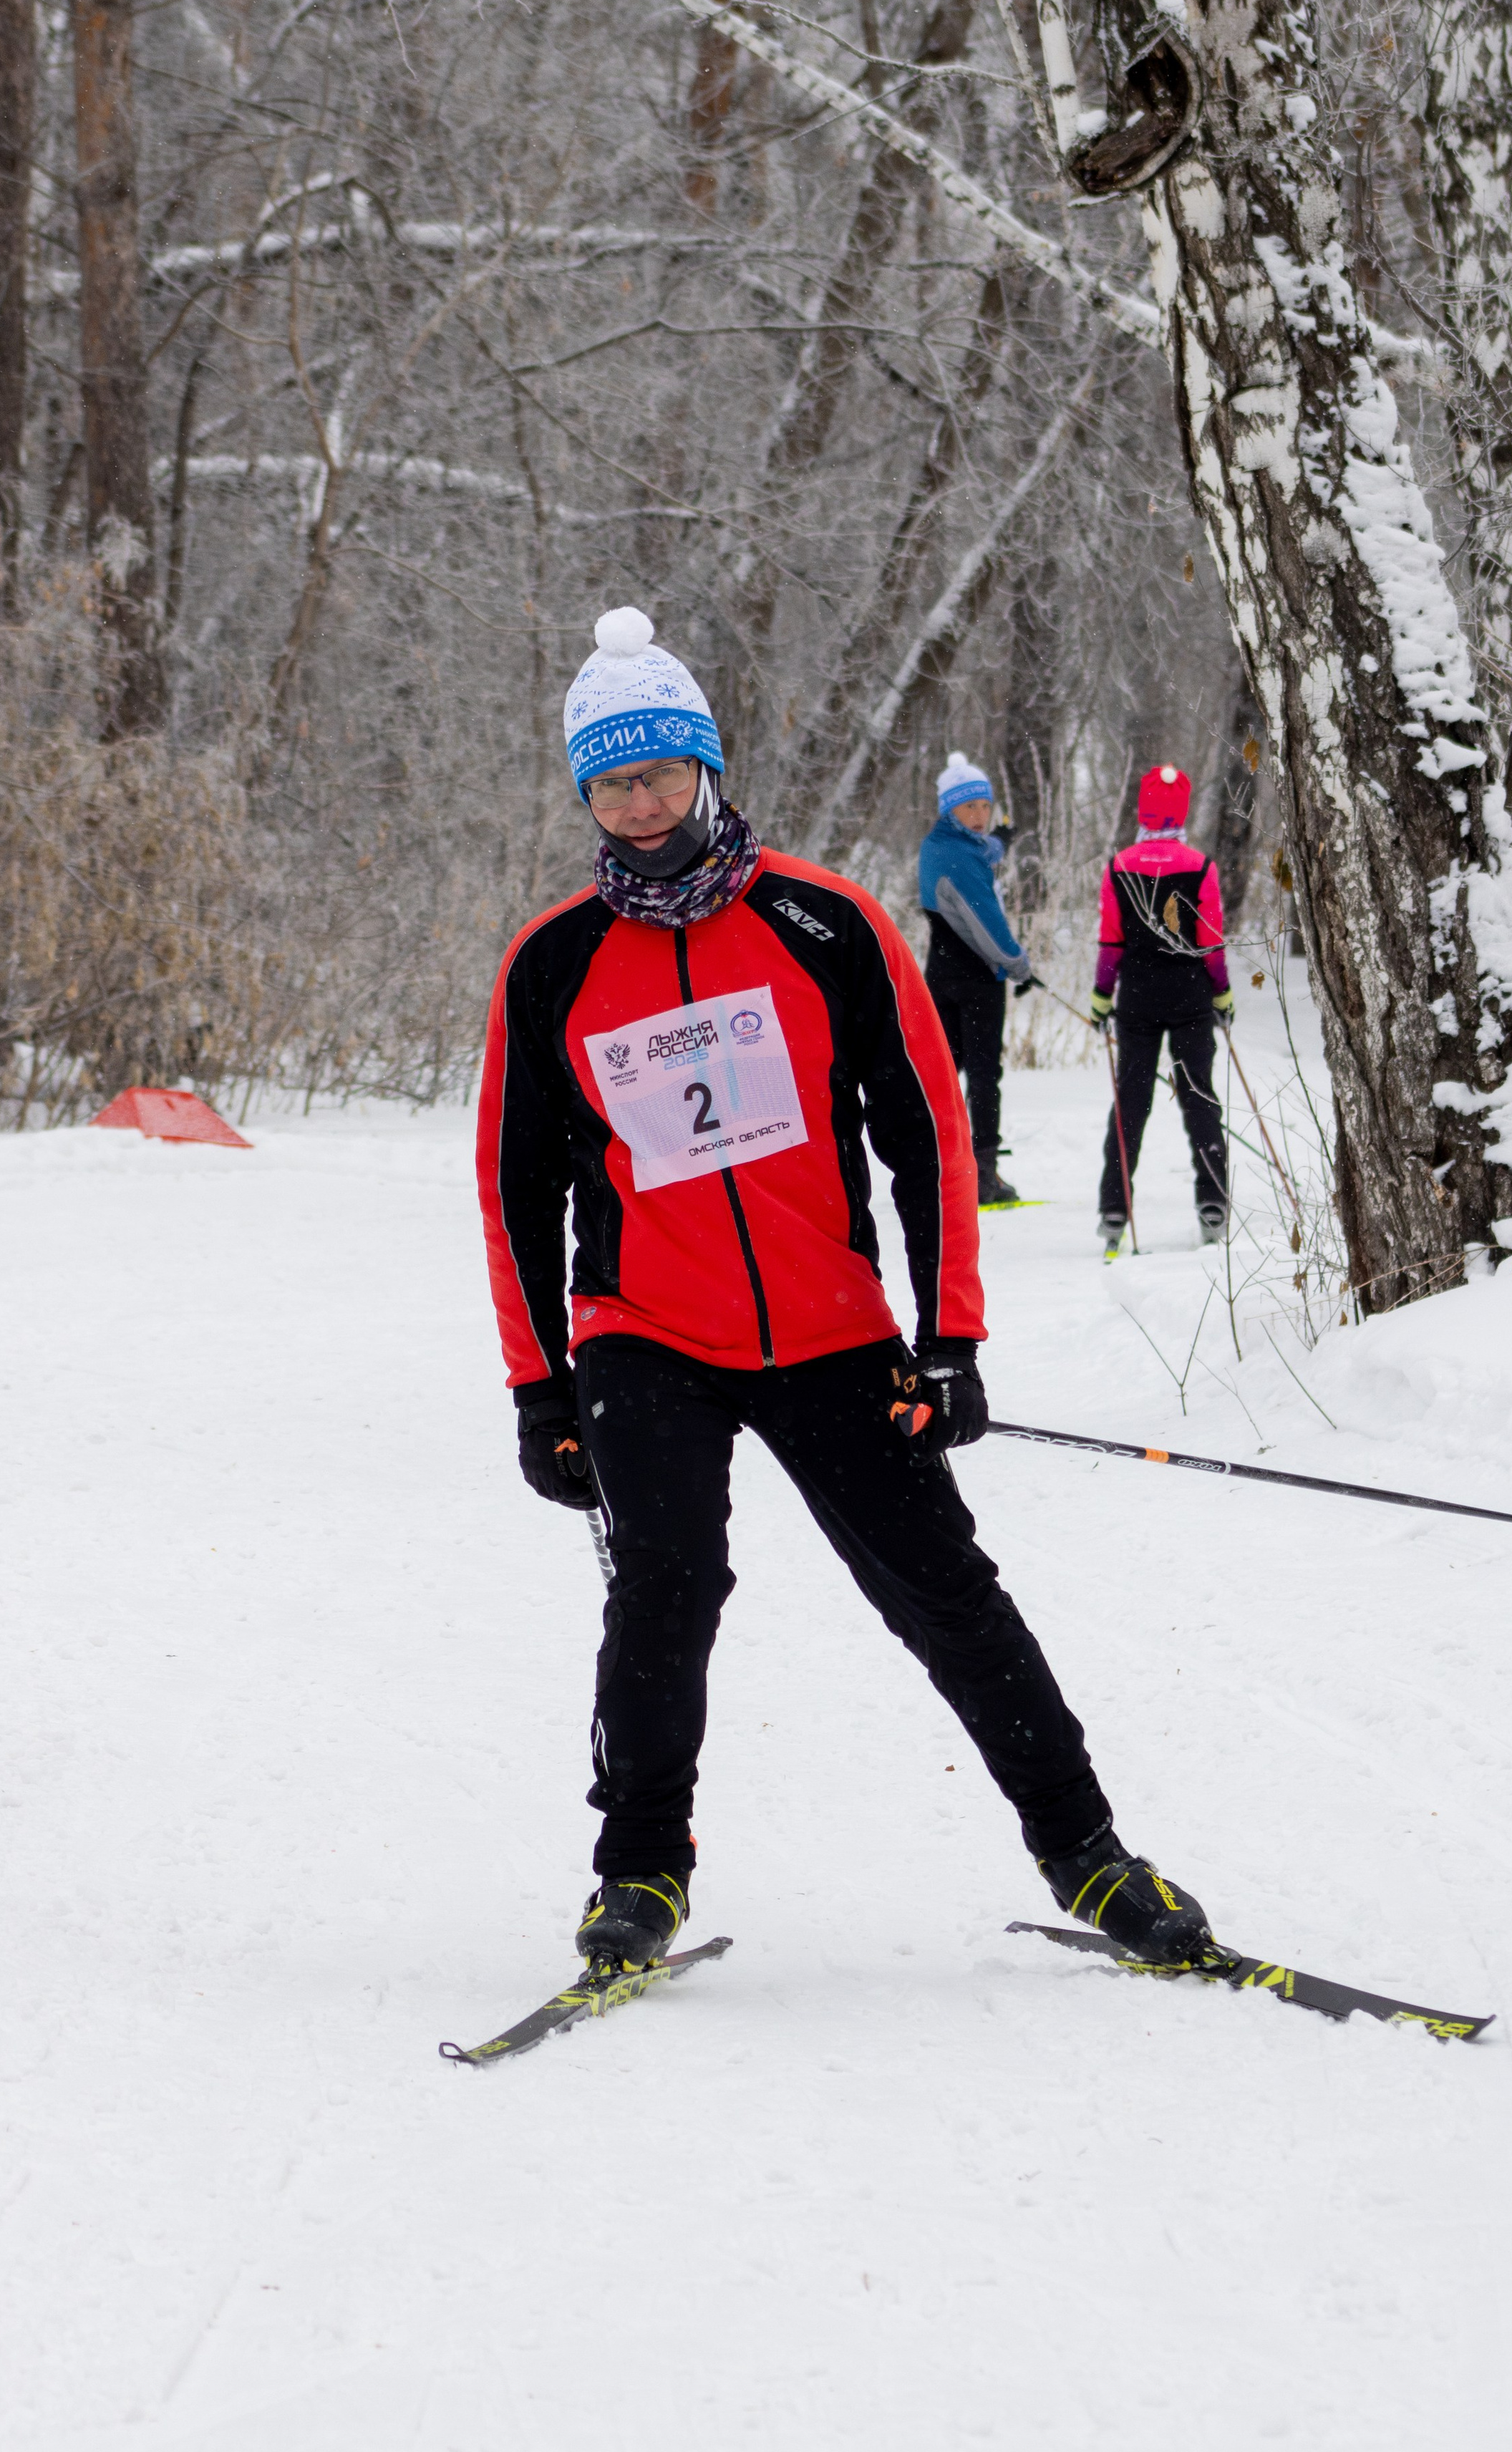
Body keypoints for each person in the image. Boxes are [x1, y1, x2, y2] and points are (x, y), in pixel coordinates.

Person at [478, 609, 1218, 1974]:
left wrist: (948, 1339)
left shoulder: (825, 922)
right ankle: (638, 1871)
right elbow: (516, 1191)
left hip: (829, 1328)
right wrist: (540, 1389)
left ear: (707, 768)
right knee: (665, 1584)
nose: (638, 809)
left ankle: (1090, 1855)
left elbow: (925, 1131)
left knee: (944, 1590)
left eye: (658, 776)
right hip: (647, 1331)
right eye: (608, 784)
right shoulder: (553, 963)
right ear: (585, 792)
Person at [1091, 765, 1235, 1250]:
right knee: (1200, 1098)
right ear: (1183, 809)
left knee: (1131, 1101)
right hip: (1191, 998)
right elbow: (1210, 941)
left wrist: (1100, 994)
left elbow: (1111, 940)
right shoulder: (1200, 866)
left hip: (1136, 999)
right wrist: (1222, 991)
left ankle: (1114, 1207)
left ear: (1142, 808)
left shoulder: (1119, 865)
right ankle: (1213, 1202)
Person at [917, 750, 1033, 1208]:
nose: (981, 816)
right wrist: (1019, 964)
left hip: (942, 973)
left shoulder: (944, 844)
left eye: (986, 806)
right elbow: (988, 927)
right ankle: (982, 1175)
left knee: (944, 1073)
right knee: (985, 1075)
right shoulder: (959, 856)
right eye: (970, 808)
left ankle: (935, 1165)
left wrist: (1002, 840)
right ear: (950, 810)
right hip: (976, 979)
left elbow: (984, 851)